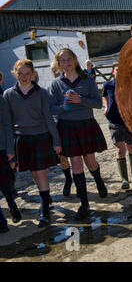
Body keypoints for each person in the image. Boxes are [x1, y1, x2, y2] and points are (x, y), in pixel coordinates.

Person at [48, 49, 108, 220]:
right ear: (59, 64)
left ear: (74, 60)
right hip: (67, 127)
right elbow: (51, 109)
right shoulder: (56, 84)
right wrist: (63, 108)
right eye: (62, 60)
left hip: (86, 125)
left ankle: (99, 181)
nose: (66, 63)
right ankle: (84, 203)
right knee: (75, 162)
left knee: (90, 160)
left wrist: (80, 100)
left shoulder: (87, 80)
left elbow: (97, 104)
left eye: (69, 59)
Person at [3, 59, 61, 227]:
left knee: (41, 171)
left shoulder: (42, 93)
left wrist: (56, 140)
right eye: (20, 73)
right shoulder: (8, 94)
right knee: (34, 172)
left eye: (27, 73)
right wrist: (9, 147)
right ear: (14, 73)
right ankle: (46, 197)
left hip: (40, 136)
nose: (24, 77)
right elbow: (7, 123)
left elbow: (49, 119)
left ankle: (44, 210)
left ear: (33, 74)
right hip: (21, 138)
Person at [102, 61, 132, 190]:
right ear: (113, 71)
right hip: (114, 121)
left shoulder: (129, 85)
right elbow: (105, 97)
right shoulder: (107, 85)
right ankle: (124, 179)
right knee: (120, 150)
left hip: (129, 121)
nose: (120, 71)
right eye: (117, 69)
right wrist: (106, 107)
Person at [50, 60, 73, 197]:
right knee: (62, 156)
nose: (56, 74)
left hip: (71, 124)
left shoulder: (69, 85)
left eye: (57, 71)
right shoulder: (51, 87)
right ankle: (68, 179)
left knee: (77, 156)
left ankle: (80, 178)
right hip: (57, 126)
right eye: (53, 71)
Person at [0, 95, 21, 233]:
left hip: (0, 148)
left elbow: (7, 124)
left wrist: (10, 149)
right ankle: (1, 221)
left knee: (4, 181)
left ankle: (12, 204)